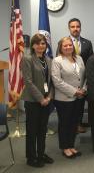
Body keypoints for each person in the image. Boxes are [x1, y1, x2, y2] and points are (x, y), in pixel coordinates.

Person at [21, 33, 54, 167]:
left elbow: (51, 81)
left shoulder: (48, 59)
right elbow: (28, 82)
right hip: (33, 101)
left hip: (47, 99)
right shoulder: (27, 59)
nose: (41, 46)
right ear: (33, 45)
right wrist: (41, 99)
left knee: (42, 129)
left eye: (43, 43)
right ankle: (31, 157)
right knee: (32, 130)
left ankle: (41, 153)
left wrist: (50, 96)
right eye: (38, 43)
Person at [52, 37, 86, 158]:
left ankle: (71, 145)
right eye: (65, 45)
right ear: (60, 47)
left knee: (74, 123)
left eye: (70, 45)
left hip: (79, 97)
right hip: (64, 99)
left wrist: (84, 89)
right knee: (65, 123)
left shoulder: (79, 58)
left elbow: (84, 76)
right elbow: (57, 81)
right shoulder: (57, 61)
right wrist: (74, 91)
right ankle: (65, 147)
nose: (68, 47)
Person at [68, 18, 93, 133]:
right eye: (73, 27)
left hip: (83, 79)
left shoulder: (87, 43)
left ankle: (78, 123)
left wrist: (86, 82)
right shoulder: (64, 42)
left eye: (77, 26)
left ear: (80, 28)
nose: (75, 29)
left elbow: (90, 62)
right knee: (70, 105)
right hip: (69, 79)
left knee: (80, 104)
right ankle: (72, 125)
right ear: (69, 28)